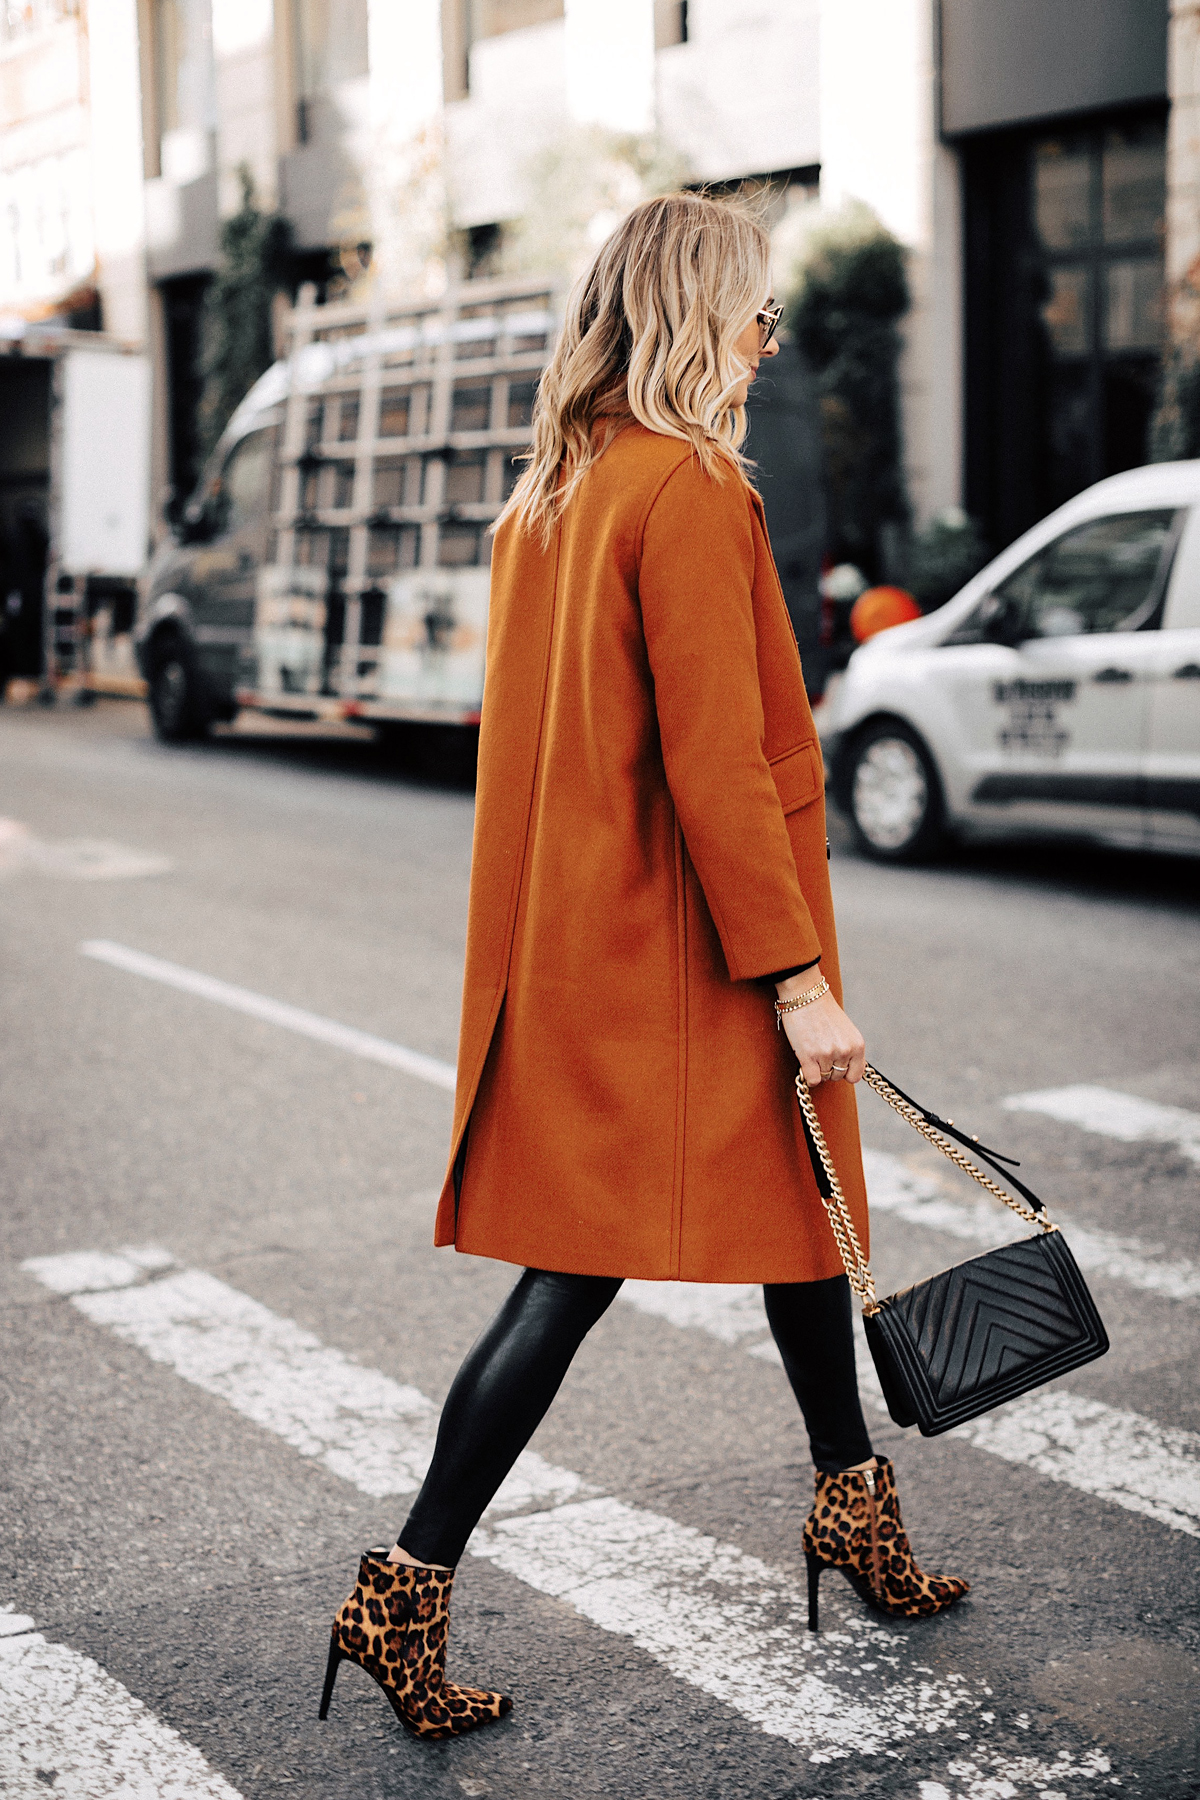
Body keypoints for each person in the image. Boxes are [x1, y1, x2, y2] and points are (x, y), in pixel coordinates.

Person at [319, 193, 967, 1743]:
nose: (768, 339)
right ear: (694, 317)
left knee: (802, 1214)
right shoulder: (687, 487)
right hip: (693, 948)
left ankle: (852, 1508)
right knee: (584, 1268)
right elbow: (719, 763)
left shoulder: (563, 486)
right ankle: (402, 1584)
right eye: (755, 311)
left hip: (596, 935)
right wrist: (798, 976)